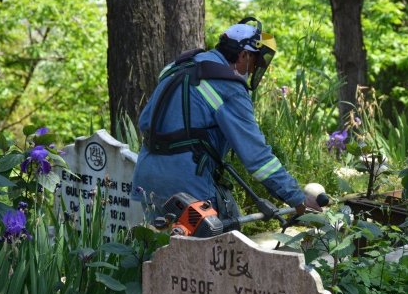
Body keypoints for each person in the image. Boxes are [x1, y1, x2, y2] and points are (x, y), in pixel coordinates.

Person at [132, 17, 321, 223]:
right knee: (221, 249)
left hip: (147, 177)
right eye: (255, 61)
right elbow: (258, 159)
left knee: (161, 249)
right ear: (243, 55)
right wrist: (297, 198)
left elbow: (145, 121)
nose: (253, 69)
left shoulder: (176, 68)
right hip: (187, 184)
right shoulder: (228, 86)